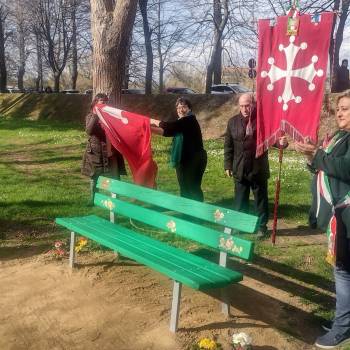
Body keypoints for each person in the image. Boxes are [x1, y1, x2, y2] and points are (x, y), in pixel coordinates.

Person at [295, 91, 350, 349]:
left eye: (346, 109)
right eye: (339, 108)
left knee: (344, 271)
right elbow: (325, 167)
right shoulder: (340, 137)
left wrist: (317, 154)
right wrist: (311, 156)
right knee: (343, 269)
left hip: (348, 218)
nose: (340, 112)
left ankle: (343, 327)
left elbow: (344, 169)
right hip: (340, 216)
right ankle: (344, 319)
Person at [224, 93, 288, 237]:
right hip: (239, 167)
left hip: (258, 168)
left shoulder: (263, 121)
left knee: (260, 200)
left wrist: (281, 143)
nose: (244, 109)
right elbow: (228, 146)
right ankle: (240, 225)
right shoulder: (232, 122)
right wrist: (227, 165)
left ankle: (261, 227)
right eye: (241, 106)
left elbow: (274, 139)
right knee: (240, 200)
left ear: (253, 104)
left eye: (247, 105)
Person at [150, 97, 207, 201]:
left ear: (190, 109)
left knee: (192, 188)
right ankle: (186, 213)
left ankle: (197, 214)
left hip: (194, 159)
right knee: (184, 188)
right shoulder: (181, 123)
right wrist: (149, 128)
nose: (181, 110)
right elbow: (167, 132)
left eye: (184, 107)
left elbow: (169, 127)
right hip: (183, 159)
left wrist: (152, 121)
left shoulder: (190, 120)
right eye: (179, 107)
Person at [81, 93, 126, 203]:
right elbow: (89, 131)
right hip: (96, 152)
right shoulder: (91, 116)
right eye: (102, 101)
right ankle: (93, 199)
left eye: (106, 101)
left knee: (115, 175)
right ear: (95, 103)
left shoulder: (112, 116)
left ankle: (116, 199)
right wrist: (96, 115)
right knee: (95, 175)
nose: (104, 104)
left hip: (112, 151)